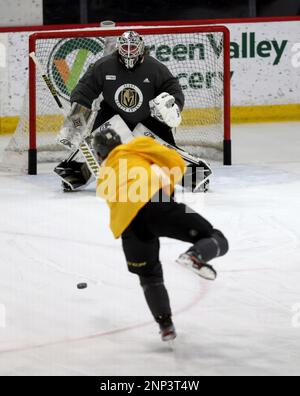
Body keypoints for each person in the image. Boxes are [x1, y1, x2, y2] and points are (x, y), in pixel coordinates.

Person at [93, 128, 229, 342]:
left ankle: (165, 326)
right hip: (156, 204)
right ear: (119, 142)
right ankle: (196, 256)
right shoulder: (135, 145)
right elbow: (176, 162)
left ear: (100, 155)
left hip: (128, 226)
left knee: (149, 277)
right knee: (215, 236)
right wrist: (168, 189)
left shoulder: (102, 177)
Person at [55, 30, 184, 192]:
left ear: (141, 48)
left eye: (133, 47)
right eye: (125, 47)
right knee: (97, 146)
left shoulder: (154, 68)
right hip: (113, 117)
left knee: (166, 154)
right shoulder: (104, 66)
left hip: (146, 119)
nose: (129, 51)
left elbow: (173, 88)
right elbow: (84, 92)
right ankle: (76, 173)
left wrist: (175, 106)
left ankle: (189, 172)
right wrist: (76, 121)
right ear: (118, 47)